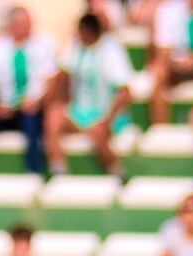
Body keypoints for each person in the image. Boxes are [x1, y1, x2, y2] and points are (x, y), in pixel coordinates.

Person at [0, 7, 57, 176]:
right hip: (2, 107)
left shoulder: (45, 45)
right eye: (22, 24)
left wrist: (37, 102)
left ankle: (34, 172)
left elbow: (51, 82)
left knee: (33, 122)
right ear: (10, 25)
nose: (27, 29)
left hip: (32, 108)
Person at [47, 12, 135, 176]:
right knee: (54, 115)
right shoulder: (75, 47)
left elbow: (125, 93)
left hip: (105, 114)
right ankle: (59, 169)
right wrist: (61, 101)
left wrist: (108, 120)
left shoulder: (111, 50)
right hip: (79, 113)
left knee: (98, 131)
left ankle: (118, 173)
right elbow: (63, 74)